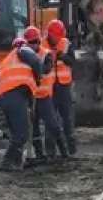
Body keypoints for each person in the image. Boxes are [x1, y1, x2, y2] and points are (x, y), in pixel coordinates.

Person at [0, 37, 43, 171]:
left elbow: (24, 86)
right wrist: (38, 77)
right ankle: (7, 163)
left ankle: (16, 163)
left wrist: (31, 106)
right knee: (21, 134)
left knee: (16, 133)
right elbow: (36, 61)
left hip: (4, 97)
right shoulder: (22, 49)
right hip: (14, 96)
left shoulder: (7, 60)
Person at [25, 25, 70, 161]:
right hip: (31, 97)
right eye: (30, 42)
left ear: (39, 41)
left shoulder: (46, 54)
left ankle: (64, 153)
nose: (33, 45)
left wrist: (33, 69)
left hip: (44, 97)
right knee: (34, 128)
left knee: (53, 126)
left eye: (35, 41)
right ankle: (40, 154)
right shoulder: (24, 55)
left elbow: (46, 69)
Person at [46, 19, 77, 157]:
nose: (57, 40)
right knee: (51, 119)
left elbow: (72, 61)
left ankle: (71, 149)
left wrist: (63, 56)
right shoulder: (42, 44)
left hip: (64, 86)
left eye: (59, 37)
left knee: (67, 118)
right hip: (49, 87)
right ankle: (50, 150)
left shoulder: (65, 43)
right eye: (55, 37)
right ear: (49, 34)